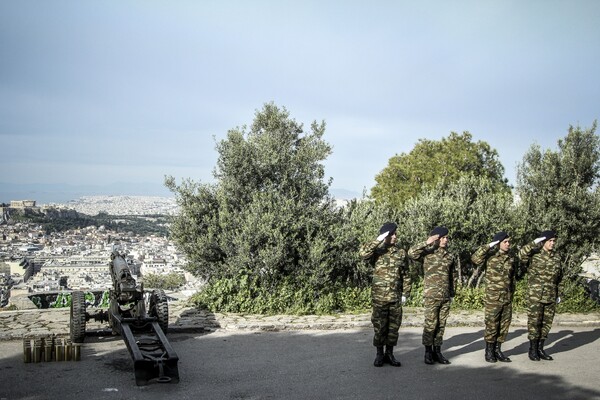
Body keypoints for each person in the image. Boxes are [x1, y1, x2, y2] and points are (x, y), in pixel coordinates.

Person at [359, 222, 412, 367]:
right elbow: (363, 254)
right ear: (385, 236)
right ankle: (379, 354)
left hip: (395, 297)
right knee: (379, 326)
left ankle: (390, 353)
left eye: (395, 234)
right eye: (391, 234)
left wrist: (406, 293)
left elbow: (406, 274)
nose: (395, 236)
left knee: (393, 328)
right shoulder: (377, 251)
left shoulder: (401, 253)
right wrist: (379, 239)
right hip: (379, 297)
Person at [408, 226, 456, 365]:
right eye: (442, 237)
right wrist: (427, 242)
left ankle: (438, 351)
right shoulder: (427, 254)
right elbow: (411, 253)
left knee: (441, 325)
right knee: (430, 324)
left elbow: (451, 277)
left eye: (446, 238)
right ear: (436, 238)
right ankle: (428, 352)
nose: (445, 240)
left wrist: (452, 293)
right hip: (431, 296)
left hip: (445, 296)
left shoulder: (449, 256)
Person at [471, 231, 518, 363]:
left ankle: (498, 350)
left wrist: (511, 294)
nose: (508, 244)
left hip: (506, 297)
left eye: (509, 242)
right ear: (498, 243)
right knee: (492, 325)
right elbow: (475, 258)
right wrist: (489, 245)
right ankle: (489, 351)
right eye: (505, 242)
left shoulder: (511, 257)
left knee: (504, 326)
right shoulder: (490, 256)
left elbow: (512, 278)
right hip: (493, 298)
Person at [518, 230, 563, 361]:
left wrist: (559, 293)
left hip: (550, 295)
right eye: (550, 241)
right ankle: (532, 350)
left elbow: (560, 277)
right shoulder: (534, 255)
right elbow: (521, 254)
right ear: (543, 241)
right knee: (534, 323)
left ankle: (540, 349)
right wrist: (534, 242)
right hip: (535, 296)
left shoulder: (557, 257)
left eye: (554, 241)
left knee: (546, 324)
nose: (552, 243)